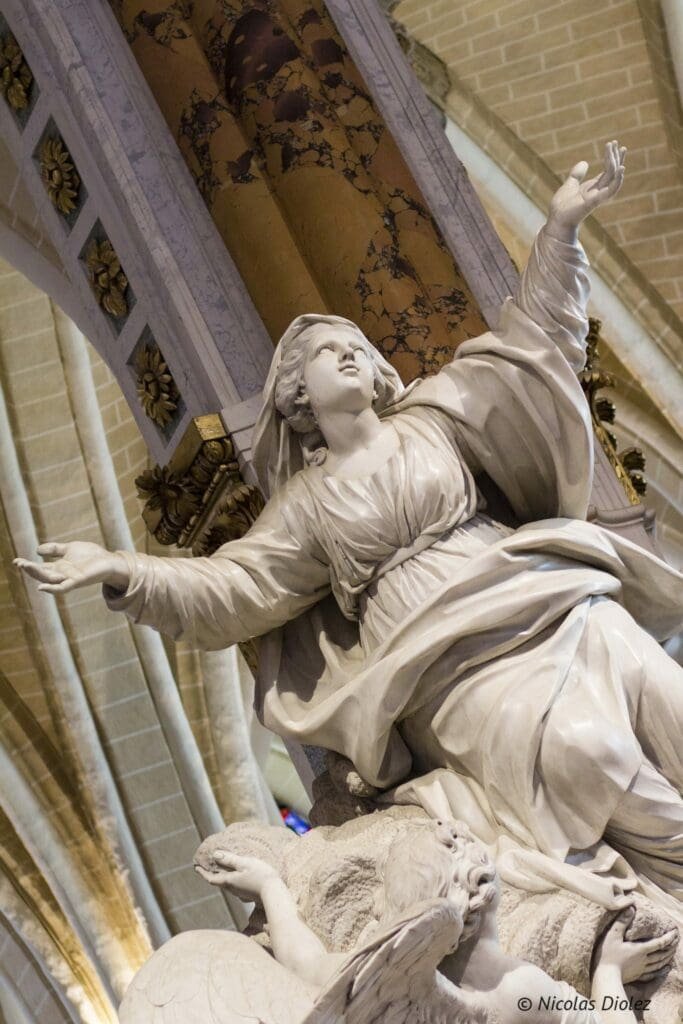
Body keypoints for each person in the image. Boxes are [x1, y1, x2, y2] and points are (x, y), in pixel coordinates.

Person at [15, 141, 683, 919]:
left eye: (357, 350)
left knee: (663, 692)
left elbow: (538, 343)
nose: (353, 356)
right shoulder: (305, 503)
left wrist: (560, 232)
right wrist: (124, 571)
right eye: (331, 354)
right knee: (582, 751)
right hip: (438, 660)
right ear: (299, 397)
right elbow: (236, 585)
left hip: (541, 595)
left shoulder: (437, 415)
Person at [118, 818, 678, 1024]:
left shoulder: (391, 976)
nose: (455, 829)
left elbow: (304, 959)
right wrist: (607, 971)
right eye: (453, 836)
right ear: (479, 888)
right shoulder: (515, 988)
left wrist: (269, 885)